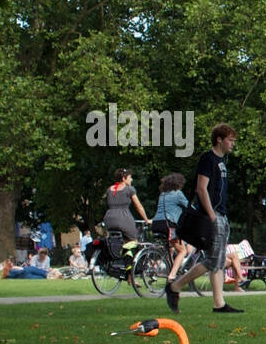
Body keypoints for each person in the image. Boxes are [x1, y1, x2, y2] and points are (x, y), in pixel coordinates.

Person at [165, 124, 242, 314]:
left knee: (216, 259)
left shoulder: (222, 162)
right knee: (213, 260)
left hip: (220, 214)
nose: (232, 144)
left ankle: (219, 303)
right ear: (219, 139)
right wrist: (211, 215)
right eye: (230, 140)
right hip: (212, 216)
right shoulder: (208, 159)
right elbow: (201, 188)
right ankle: (175, 286)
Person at [102, 168, 150, 245]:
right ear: (124, 179)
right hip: (123, 219)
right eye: (130, 177)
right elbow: (138, 206)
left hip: (109, 220)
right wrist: (146, 220)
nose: (131, 179)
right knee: (133, 241)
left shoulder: (109, 189)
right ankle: (130, 255)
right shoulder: (129, 189)